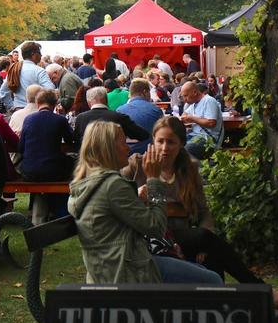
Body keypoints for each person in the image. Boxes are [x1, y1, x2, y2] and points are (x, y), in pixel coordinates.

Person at [121, 115, 278, 307]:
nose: (164, 148)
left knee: (209, 251)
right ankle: (259, 290)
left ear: (181, 144)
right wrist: (137, 193)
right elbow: (116, 195)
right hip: (152, 236)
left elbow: (204, 212)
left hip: (185, 236)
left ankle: (216, 307)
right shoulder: (137, 165)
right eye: (160, 141)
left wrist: (204, 236)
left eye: (171, 142)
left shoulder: (189, 168)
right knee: (206, 240)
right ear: (153, 140)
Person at [68, 120, 222, 285]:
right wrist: (154, 181)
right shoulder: (113, 184)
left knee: (205, 269)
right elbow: (156, 227)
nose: (128, 148)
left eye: (170, 142)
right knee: (213, 280)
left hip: (109, 267)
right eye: (123, 143)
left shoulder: (90, 182)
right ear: (109, 149)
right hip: (130, 270)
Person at [18, 89, 74, 181]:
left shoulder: (28, 119)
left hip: (29, 171)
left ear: (37, 103)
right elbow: (70, 139)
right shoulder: (60, 120)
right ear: (54, 105)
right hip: (53, 171)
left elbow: (21, 147)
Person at [74, 86, 149, 151]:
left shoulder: (80, 118)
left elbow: (77, 143)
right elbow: (142, 135)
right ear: (106, 100)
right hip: (113, 161)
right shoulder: (118, 117)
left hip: (89, 162)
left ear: (89, 102)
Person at [0, 41, 55, 111]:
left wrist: (11, 106)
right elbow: (50, 90)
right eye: (39, 53)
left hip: (18, 110)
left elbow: (3, 91)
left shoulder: (14, 70)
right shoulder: (39, 71)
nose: (41, 55)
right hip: (35, 110)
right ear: (33, 54)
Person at [116, 78, 163, 154]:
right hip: (149, 154)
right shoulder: (156, 110)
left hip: (126, 154)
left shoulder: (119, 110)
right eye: (149, 92)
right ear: (145, 92)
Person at [180, 79, 224, 159]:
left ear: (195, 92)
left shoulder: (209, 101)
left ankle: (192, 170)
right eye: (183, 96)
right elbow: (185, 114)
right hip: (195, 136)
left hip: (209, 140)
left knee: (184, 150)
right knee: (174, 144)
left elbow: (211, 123)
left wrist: (191, 118)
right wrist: (185, 118)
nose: (185, 99)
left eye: (186, 96)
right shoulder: (194, 104)